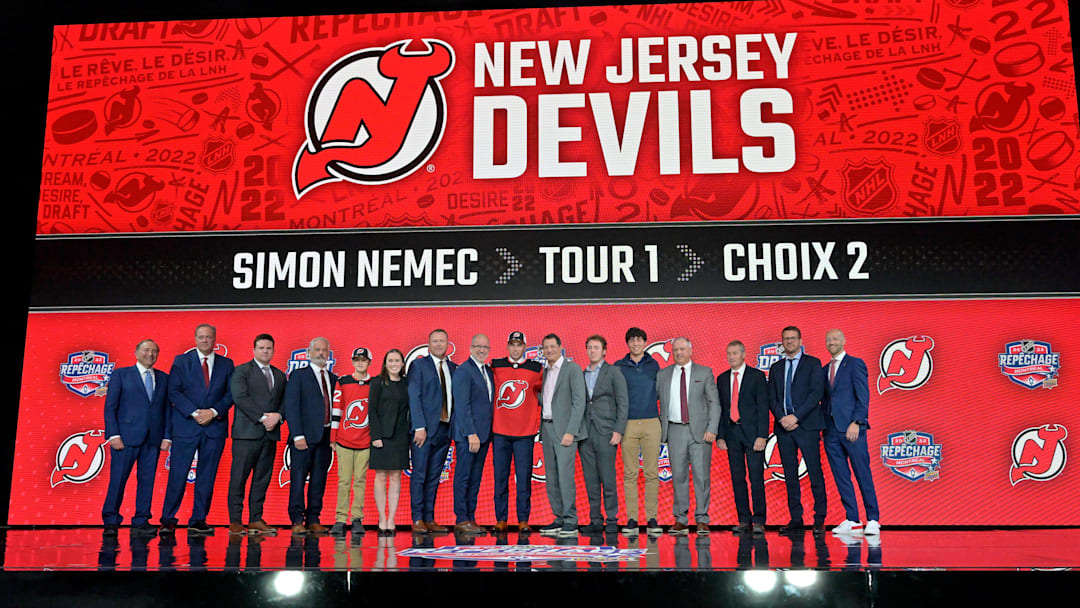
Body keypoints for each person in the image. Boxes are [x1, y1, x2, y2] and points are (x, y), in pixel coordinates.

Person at [161, 324, 234, 535]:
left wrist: (212, 411)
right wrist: (195, 413)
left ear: (215, 339)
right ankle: (168, 518)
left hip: (215, 427)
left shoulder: (227, 364)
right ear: (195, 339)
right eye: (201, 337)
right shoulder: (181, 362)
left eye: (208, 337)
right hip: (186, 427)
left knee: (207, 476)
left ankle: (198, 519)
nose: (205, 340)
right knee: (177, 474)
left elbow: (231, 394)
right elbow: (173, 391)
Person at [101, 339, 169, 536]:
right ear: (136, 352)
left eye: (155, 351)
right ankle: (111, 520)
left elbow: (166, 410)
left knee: (147, 481)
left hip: (153, 439)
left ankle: (141, 520)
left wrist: (167, 436)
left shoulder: (164, 378)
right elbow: (110, 407)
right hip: (125, 438)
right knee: (118, 480)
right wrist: (113, 434)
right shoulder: (121, 375)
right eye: (147, 350)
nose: (151, 354)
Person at [657, 337, 719, 535]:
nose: (678, 353)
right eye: (675, 350)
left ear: (690, 350)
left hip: (700, 431)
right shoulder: (663, 374)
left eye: (682, 349)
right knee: (679, 476)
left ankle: (702, 519)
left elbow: (714, 403)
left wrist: (712, 428)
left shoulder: (704, 372)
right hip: (674, 430)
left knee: (701, 476)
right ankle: (681, 520)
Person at [768, 326, 827, 536]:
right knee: (790, 475)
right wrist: (782, 418)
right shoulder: (776, 367)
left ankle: (819, 519)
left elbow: (816, 394)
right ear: (782, 342)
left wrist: (796, 417)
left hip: (807, 426)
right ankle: (796, 519)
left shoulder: (813, 364)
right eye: (786, 339)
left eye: (793, 338)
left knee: (814, 472)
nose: (789, 342)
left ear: (800, 340)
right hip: (783, 428)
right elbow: (772, 398)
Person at [821, 329, 880, 536]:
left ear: (844, 341)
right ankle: (852, 518)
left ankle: (873, 518)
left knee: (862, 473)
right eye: (828, 340)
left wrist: (857, 421)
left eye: (835, 339)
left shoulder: (855, 364)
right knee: (841, 476)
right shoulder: (824, 369)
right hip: (830, 431)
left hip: (852, 430)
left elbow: (863, 396)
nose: (831, 342)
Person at [227, 333, 286, 535]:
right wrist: (263, 418)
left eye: (269, 348)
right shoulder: (242, 371)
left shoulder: (279, 375)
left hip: (269, 436)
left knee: (262, 478)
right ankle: (235, 521)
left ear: (273, 350)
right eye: (261, 348)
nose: (265, 351)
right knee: (239, 478)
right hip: (246, 434)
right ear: (254, 350)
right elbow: (240, 398)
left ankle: (255, 518)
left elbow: (285, 402)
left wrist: (278, 416)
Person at [489, 331, 542, 534]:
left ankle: (523, 519)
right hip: (500, 432)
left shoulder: (536, 369)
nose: (516, 348)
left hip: (525, 434)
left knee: (523, 478)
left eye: (519, 345)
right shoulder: (496, 366)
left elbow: (544, 394)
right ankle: (501, 519)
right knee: (500, 478)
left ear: (525, 346)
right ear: (507, 346)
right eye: (512, 344)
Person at [283, 337, 337, 535]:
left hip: (325, 437)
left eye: (324, 350)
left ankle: (314, 518)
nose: (321, 353)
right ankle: (297, 520)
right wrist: (297, 434)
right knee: (298, 479)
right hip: (303, 438)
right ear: (309, 353)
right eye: (317, 350)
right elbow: (291, 406)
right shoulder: (298, 375)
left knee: (318, 480)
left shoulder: (332, 378)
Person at [717, 340, 770, 536]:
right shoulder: (722, 379)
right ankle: (743, 519)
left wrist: (762, 435)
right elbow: (721, 410)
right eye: (729, 353)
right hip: (732, 434)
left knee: (756, 478)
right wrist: (721, 436)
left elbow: (763, 407)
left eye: (735, 353)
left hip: (753, 435)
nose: (731, 357)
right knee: (738, 478)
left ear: (744, 354)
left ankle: (759, 520)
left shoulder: (756, 376)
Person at [614, 327, 663, 536]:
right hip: (628, 424)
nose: (635, 343)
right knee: (630, 474)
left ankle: (652, 519)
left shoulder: (654, 365)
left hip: (652, 421)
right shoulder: (618, 366)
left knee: (652, 473)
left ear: (645, 342)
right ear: (627, 343)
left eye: (639, 340)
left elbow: (660, 392)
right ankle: (632, 519)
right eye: (632, 340)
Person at [537, 333, 587, 538]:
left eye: (552, 346)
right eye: (545, 347)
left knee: (565, 476)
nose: (549, 350)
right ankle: (558, 517)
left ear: (560, 347)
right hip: (547, 429)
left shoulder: (572, 369)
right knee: (552, 476)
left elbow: (579, 402)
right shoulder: (545, 371)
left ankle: (570, 520)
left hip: (565, 431)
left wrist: (571, 431)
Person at [407, 329, 456, 534]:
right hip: (424, 431)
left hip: (445, 430)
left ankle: (429, 518)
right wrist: (419, 426)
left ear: (447, 344)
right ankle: (417, 518)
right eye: (434, 341)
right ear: (429, 344)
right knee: (419, 474)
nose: (438, 344)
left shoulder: (454, 368)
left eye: (442, 341)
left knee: (435, 476)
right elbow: (413, 396)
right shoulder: (419, 365)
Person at [579, 335, 629, 535]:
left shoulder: (613, 372)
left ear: (604, 351)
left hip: (607, 432)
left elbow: (623, 402)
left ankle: (612, 519)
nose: (592, 351)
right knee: (590, 480)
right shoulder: (581, 374)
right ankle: (595, 519)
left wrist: (618, 430)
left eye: (596, 347)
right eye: (589, 347)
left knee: (607, 478)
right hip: (585, 433)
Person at [451, 334, 496, 535]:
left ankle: (471, 517)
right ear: (470, 348)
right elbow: (462, 405)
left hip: (484, 435)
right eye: (477, 346)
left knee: (475, 478)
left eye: (485, 347)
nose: (481, 350)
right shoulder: (463, 370)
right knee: (463, 476)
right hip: (468, 436)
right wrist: (471, 433)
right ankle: (461, 518)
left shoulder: (487, 371)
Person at [329, 347, 374, 536]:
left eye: (363, 359)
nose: (360, 363)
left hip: (366, 441)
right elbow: (337, 410)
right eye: (357, 359)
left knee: (360, 481)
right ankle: (340, 519)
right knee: (344, 481)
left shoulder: (375, 383)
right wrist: (333, 437)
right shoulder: (343, 382)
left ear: (369, 362)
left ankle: (357, 518)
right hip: (344, 440)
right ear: (352, 361)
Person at [369, 349, 410, 536]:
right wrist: (375, 435)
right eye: (390, 360)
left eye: (397, 360)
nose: (394, 364)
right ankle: (381, 518)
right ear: (385, 363)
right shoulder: (377, 382)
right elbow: (372, 410)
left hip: (400, 436)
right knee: (380, 476)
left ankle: (391, 519)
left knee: (395, 477)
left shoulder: (407, 383)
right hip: (381, 436)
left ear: (402, 364)